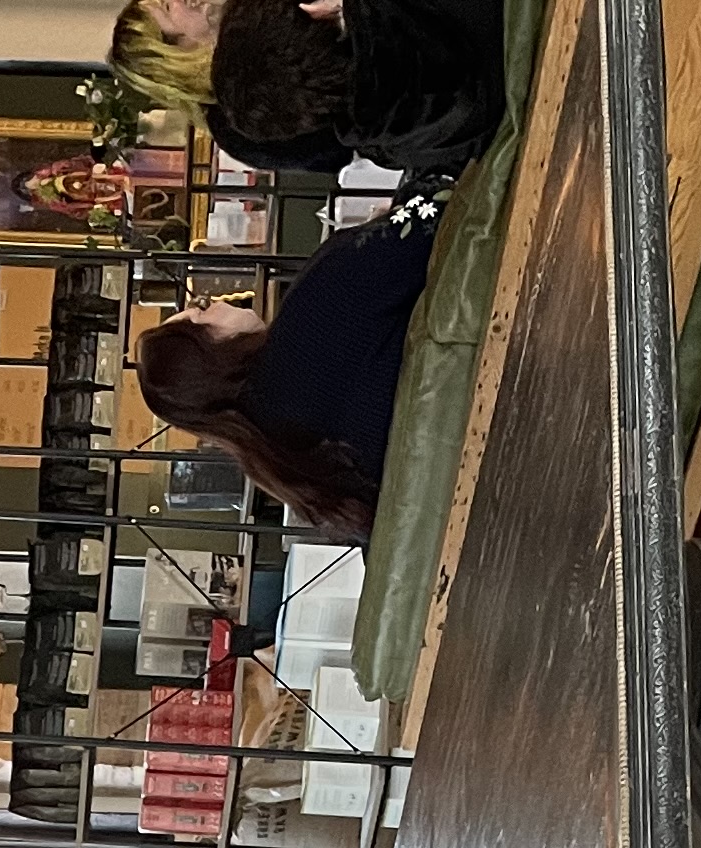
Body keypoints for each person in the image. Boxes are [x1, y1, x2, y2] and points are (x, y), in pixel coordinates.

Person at [131, 193, 443, 537]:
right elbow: (438, 209)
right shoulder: (316, 309)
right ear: (211, 352)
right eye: (202, 309)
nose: (215, 302)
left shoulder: (282, 465)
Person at [106, 0, 505, 185]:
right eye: (167, 6)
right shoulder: (243, 115)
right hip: (443, 90)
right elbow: (339, 134)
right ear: (170, 54)